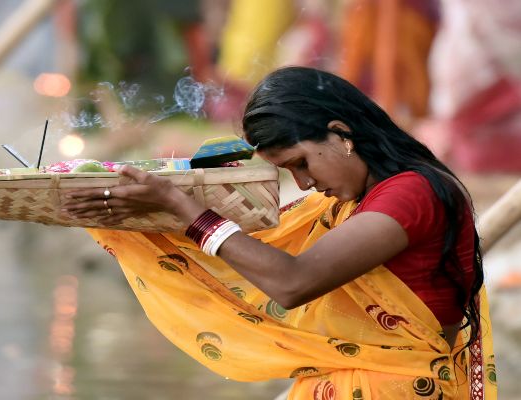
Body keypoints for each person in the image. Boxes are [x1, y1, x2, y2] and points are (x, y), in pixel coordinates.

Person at [63, 66, 495, 399]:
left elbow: (292, 281)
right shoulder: (354, 200)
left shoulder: (412, 193)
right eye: (289, 171)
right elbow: (259, 251)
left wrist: (182, 207)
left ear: (342, 135)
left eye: (302, 163)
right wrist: (160, 220)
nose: (304, 184)